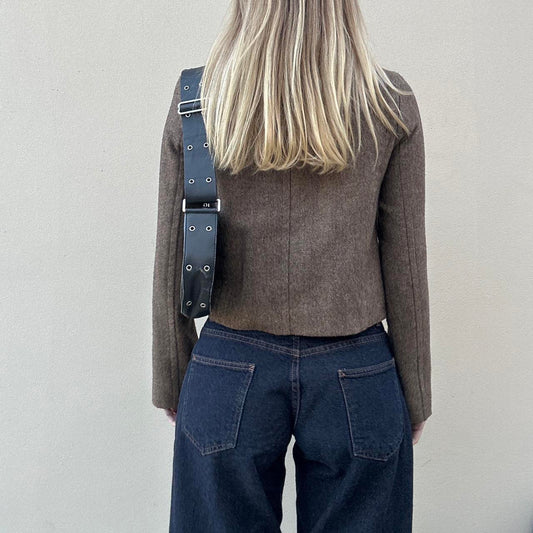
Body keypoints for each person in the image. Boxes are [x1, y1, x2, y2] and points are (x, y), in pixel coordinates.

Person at [152, 1, 432, 531]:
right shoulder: (389, 103)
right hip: (356, 372)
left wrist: (174, 377)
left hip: (229, 364)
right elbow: (407, 266)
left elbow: (173, 247)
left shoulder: (198, 99)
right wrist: (413, 393)